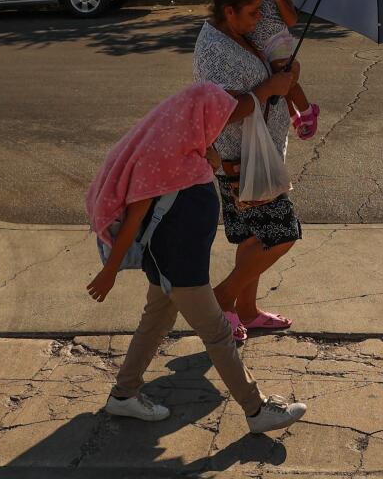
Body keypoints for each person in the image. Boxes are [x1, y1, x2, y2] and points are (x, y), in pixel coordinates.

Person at [85, 80, 307, 433]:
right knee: (218, 333)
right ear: (198, 118)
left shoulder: (187, 147)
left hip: (174, 262)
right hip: (178, 264)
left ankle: (124, 394)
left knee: (155, 320)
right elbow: (136, 215)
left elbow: (209, 166)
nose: (221, 127)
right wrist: (110, 270)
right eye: (218, 120)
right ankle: (256, 409)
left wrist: (213, 158)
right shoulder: (164, 160)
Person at [195, 0, 301, 344]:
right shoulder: (216, 52)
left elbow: (263, 78)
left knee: (253, 237)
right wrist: (270, 88)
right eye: (253, 12)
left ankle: (248, 311)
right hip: (242, 161)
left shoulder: (235, 34)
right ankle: (223, 296)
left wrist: (283, 76)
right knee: (282, 234)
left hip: (251, 157)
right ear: (229, 11)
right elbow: (222, 111)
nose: (260, 18)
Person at [212, 0, 319, 140]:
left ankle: (307, 110)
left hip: (277, 42)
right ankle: (293, 114)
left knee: (285, 77)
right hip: (263, 46)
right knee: (280, 83)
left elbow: (292, 20)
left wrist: (280, 1)